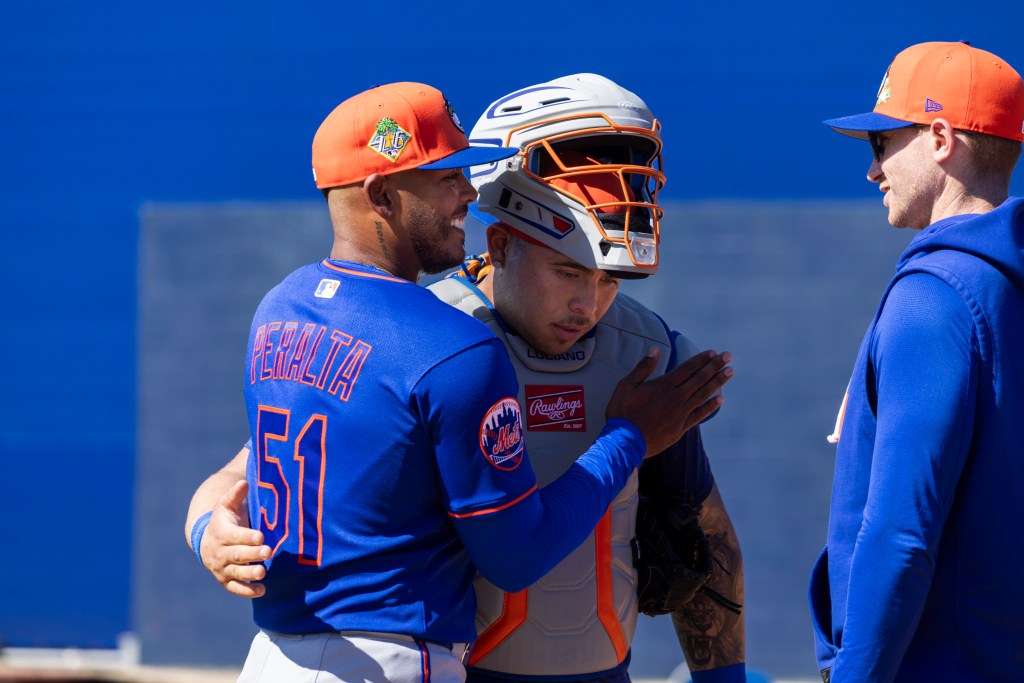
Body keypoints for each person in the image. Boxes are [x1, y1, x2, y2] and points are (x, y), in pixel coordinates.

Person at [188, 75, 745, 683]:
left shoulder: (647, 354)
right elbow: (254, 470)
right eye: (566, 272)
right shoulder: (443, 343)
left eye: (608, 279)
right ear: (502, 245)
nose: (588, 306)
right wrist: (628, 437)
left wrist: (724, 680)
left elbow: (708, 536)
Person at [810, 41, 1024, 682]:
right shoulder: (999, 288)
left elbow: (902, 535)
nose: (872, 172)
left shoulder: (934, 299)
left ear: (939, 138)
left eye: (880, 145)